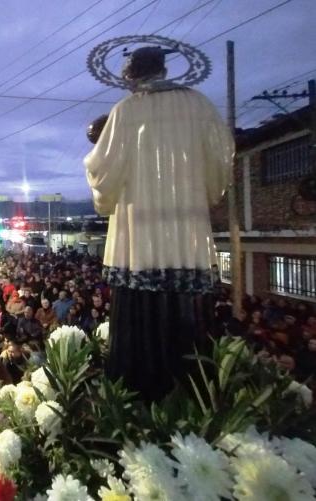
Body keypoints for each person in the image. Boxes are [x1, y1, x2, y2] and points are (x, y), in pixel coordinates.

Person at [84, 45, 234, 401]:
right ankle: (194, 391)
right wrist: (205, 193)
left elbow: (102, 169)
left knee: (138, 313)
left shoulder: (126, 111)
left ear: (134, 74)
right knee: (189, 314)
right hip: (186, 231)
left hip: (139, 231)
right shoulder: (200, 105)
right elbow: (221, 157)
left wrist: (98, 183)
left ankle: (136, 390)